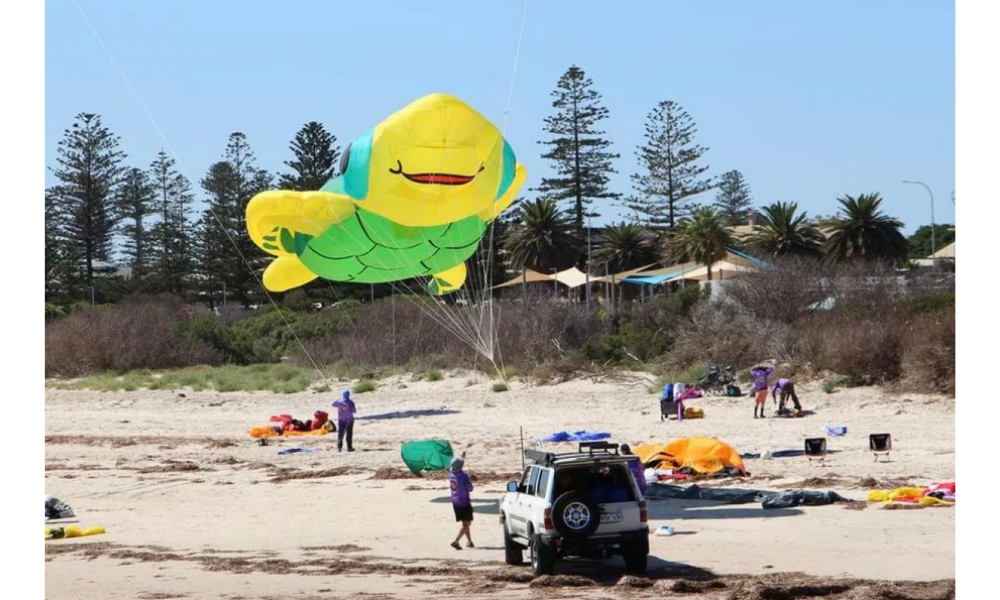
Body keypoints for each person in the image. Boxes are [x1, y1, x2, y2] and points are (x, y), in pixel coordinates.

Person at [448, 456, 474, 550]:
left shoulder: (451, 474)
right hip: (464, 502)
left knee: (465, 523)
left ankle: (470, 541)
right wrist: (468, 478)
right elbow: (470, 488)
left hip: (455, 501)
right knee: (467, 523)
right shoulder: (463, 476)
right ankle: (456, 541)